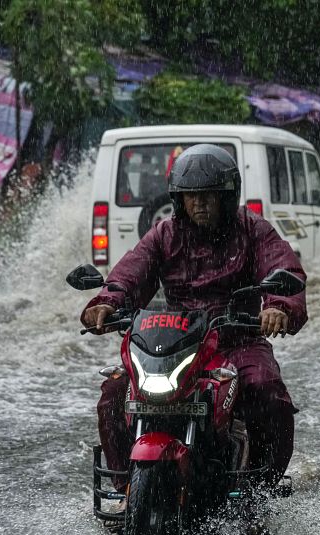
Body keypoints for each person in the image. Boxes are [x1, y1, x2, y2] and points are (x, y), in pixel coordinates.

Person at [80, 144, 306, 493]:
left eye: (209, 195)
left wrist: (278, 307)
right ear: (179, 198)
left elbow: (283, 268)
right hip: (178, 341)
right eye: (191, 195)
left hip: (237, 340)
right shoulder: (164, 234)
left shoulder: (253, 230)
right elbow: (129, 274)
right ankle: (126, 487)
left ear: (227, 197)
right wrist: (107, 302)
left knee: (267, 393)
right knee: (114, 393)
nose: (200, 202)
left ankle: (260, 490)